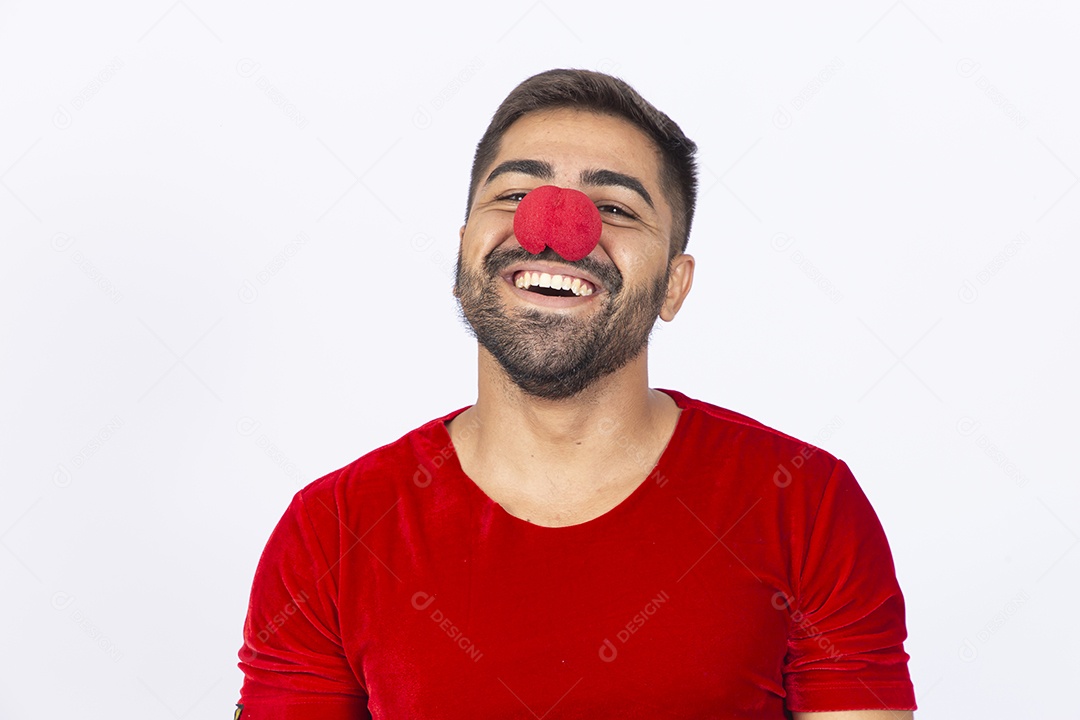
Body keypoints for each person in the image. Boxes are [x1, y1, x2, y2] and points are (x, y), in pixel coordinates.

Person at [235, 68, 916, 719]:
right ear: (464, 255)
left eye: (615, 207)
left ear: (674, 284)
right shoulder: (332, 534)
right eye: (514, 196)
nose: (555, 230)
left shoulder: (804, 505)